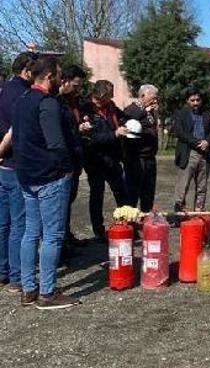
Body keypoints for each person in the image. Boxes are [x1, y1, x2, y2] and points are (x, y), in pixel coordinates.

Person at [12, 57, 80, 309]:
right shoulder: (47, 103)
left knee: (31, 233)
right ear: (49, 76)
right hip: (49, 175)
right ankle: (47, 292)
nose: (61, 80)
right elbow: (56, 142)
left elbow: (18, 137)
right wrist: (67, 169)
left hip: (26, 174)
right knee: (52, 235)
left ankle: (29, 288)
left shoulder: (22, 100)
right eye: (59, 75)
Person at [0, 52, 34, 293]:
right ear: (26, 71)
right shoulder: (19, 93)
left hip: (5, 165)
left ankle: (2, 270)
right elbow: (16, 127)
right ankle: (16, 276)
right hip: (14, 163)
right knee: (18, 224)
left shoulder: (5, 89)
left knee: (4, 223)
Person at [79, 80, 128, 242]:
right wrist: (114, 134)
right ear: (101, 95)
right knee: (97, 193)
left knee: (121, 191)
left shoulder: (111, 107)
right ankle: (98, 230)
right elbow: (90, 138)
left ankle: (124, 223)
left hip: (113, 158)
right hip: (95, 159)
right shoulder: (86, 110)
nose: (112, 97)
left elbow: (124, 117)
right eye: (110, 94)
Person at [57, 65, 86, 253]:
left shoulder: (73, 101)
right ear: (65, 81)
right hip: (65, 160)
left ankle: (66, 235)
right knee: (60, 204)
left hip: (75, 159)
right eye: (75, 85)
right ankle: (61, 244)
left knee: (69, 201)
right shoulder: (56, 102)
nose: (78, 89)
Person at [173, 90, 210, 211]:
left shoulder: (206, 114)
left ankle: (199, 211)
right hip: (189, 153)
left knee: (202, 186)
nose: (196, 103)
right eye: (192, 100)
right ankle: (180, 213)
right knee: (183, 185)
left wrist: (207, 141)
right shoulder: (180, 114)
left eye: (198, 100)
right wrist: (197, 142)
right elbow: (180, 133)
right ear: (187, 101)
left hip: (204, 154)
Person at [123, 84, 159, 213]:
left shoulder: (150, 110)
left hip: (150, 156)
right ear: (143, 95)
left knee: (148, 191)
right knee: (133, 191)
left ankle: (146, 218)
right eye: (153, 97)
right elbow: (127, 121)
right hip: (136, 158)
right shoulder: (132, 109)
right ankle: (130, 220)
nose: (155, 100)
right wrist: (145, 112)